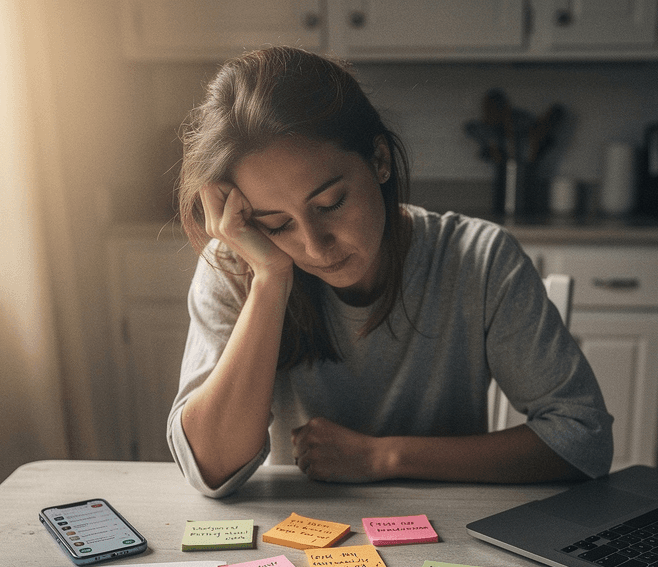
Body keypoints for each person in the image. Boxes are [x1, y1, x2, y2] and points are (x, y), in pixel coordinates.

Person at [168, 46, 612, 499]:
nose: (314, 246)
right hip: (299, 538)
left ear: (380, 159)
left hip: (452, 535)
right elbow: (210, 469)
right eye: (278, 224)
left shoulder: (481, 259)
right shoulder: (240, 265)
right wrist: (270, 278)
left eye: (330, 204)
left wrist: (383, 457)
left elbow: (585, 439)